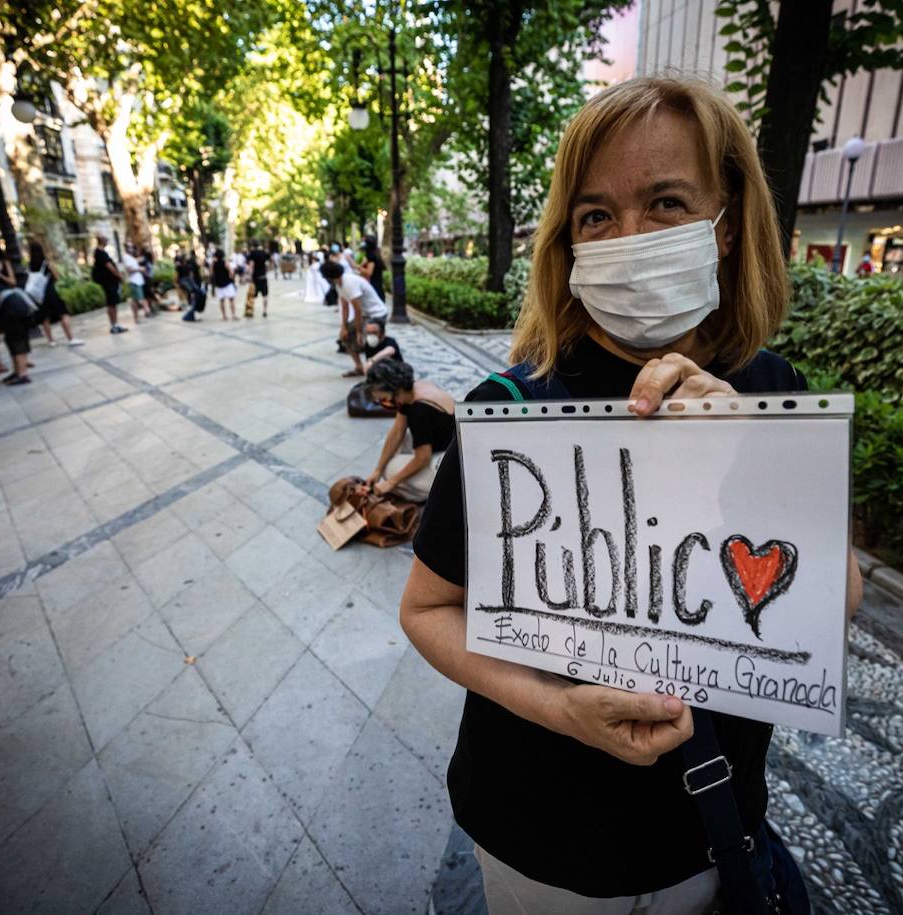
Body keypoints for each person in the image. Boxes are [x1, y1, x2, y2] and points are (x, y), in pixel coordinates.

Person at [400, 76, 864, 912]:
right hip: (533, 838)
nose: (631, 235)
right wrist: (560, 706)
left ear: (724, 224)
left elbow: (835, 601)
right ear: (569, 243)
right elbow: (427, 610)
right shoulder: (512, 409)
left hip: (706, 833)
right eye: (597, 215)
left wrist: (750, 464)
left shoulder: (774, 393)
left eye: (666, 202)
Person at [362, 359, 454, 503]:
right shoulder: (412, 390)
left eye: (384, 399)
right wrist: (377, 470)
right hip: (447, 441)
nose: (383, 403)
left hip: (449, 463)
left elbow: (423, 457)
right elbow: (397, 432)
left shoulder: (419, 410)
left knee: (391, 470)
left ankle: (426, 494)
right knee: (400, 443)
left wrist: (391, 482)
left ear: (394, 392)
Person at [320, 258, 388, 377]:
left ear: (330, 277)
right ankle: (359, 367)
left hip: (377, 314)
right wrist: (344, 327)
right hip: (365, 315)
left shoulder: (349, 283)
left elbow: (358, 310)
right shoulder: (339, 285)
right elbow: (345, 307)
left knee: (370, 341)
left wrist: (358, 332)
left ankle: (377, 371)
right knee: (345, 338)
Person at [27, 241, 83, 348]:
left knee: (45, 319)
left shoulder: (31, 265)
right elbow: (56, 277)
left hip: (40, 296)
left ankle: (51, 341)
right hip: (51, 293)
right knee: (64, 314)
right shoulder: (46, 263)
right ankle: (70, 338)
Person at [92, 235, 130, 334]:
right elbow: (109, 266)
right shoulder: (100, 253)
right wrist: (119, 276)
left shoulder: (100, 252)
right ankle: (114, 325)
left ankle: (115, 324)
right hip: (108, 282)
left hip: (109, 282)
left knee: (112, 303)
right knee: (111, 303)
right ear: (103, 241)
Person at [121, 244, 149, 320]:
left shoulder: (131, 257)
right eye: (130, 247)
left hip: (138, 281)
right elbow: (129, 269)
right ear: (126, 248)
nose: (132, 249)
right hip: (134, 282)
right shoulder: (126, 257)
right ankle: (147, 311)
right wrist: (140, 269)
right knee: (140, 299)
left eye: (132, 247)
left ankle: (136, 317)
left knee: (135, 300)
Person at [209, 250, 238, 320]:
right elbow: (231, 273)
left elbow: (211, 274)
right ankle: (233, 315)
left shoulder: (213, 264)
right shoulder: (225, 263)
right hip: (227, 283)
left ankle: (224, 316)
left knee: (221, 300)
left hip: (219, 285)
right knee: (231, 300)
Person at [245, 240, 270, 318]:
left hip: (255, 278)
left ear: (252, 246)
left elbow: (251, 265)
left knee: (252, 295)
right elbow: (268, 262)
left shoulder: (252, 253)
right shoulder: (263, 253)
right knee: (265, 295)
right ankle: (264, 311)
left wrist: (249, 275)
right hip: (263, 277)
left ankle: (251, 311)